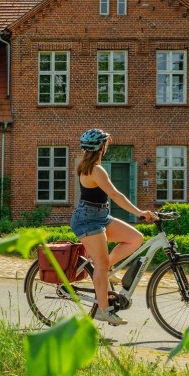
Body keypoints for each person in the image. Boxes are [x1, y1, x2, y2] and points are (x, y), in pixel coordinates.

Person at [70, 129, 157, 326]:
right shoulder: (95, 169)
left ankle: (106, 267)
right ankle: (103, 310)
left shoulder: (89, 165)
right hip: (88, 220)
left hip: (100, 215)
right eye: (105, 144)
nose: (107, 146)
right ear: (101, 148)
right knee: (100, 266)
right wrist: (139, 212)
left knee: (135, 238)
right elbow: (116, 195)